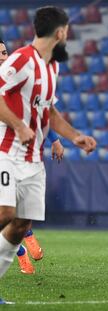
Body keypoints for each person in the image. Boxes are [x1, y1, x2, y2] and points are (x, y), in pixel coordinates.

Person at [0, 6, 96, 303]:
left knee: (20, 228)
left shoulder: (52, 66)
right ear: (60, 32)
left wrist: (74, 136)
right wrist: (17, 124)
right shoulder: (20, 60)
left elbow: (49, 111)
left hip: (33, 160)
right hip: (7, 152)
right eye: (67, 30)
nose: (68, 35)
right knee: (5, 214)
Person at [0, 38, 65, 275]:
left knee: (11, 209)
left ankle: (24, 239)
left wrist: (56, 140)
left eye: (4, 52)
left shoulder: (16, 80)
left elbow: (37, 113)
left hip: (14, 152)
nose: (2, 57)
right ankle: (22, 252)